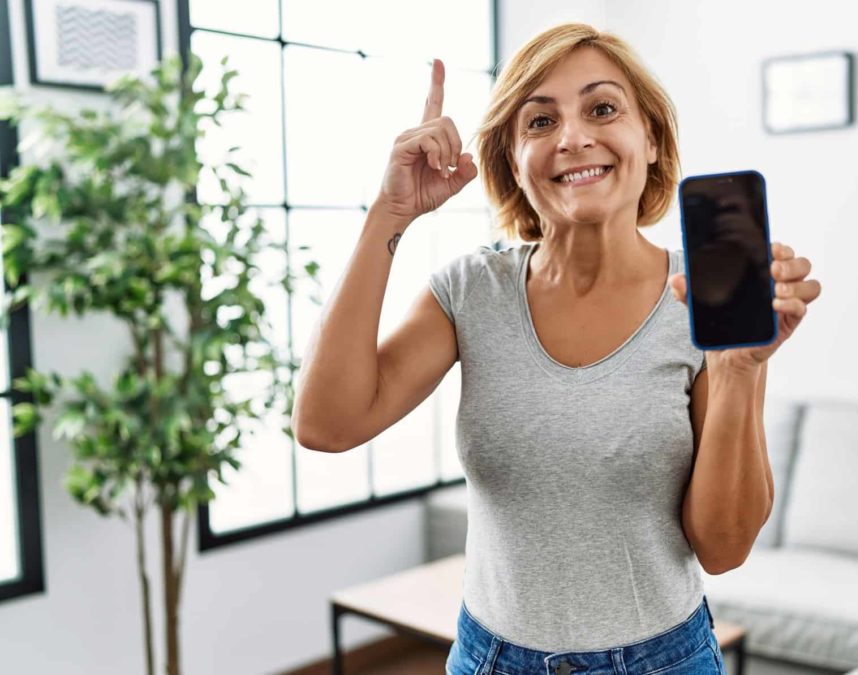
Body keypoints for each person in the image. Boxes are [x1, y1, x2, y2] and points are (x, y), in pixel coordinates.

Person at [291, 22, 821, 675]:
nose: (572, 137)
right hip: (490, 659)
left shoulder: (703, 298)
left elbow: (723, 546)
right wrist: (388, 213)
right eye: (540, 122)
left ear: (650, 138)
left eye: (602, 108)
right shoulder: (472, 291)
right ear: (512, 158)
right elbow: (326, 422)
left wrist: (736, 370)